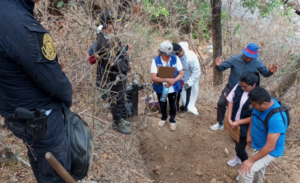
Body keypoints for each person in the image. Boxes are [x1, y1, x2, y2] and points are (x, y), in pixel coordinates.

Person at [0, 0, 74, 182]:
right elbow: (55, 82)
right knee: (55, 176)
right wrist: (68, 97)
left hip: (21, 116)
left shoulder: (8, 11)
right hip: (42, 121)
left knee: (41, 163)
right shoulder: (19, 24)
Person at [210, 43, 278, 131]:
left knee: (245, 108)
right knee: (221, 103)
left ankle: (239, 127)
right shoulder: (235, 59)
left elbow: (265, 73)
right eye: (247, 56)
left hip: (247, 91)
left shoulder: (257, 63)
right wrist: (218, 66)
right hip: (231, 87)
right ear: (244, 53)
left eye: (251, 57)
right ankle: (220, 123)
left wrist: (270, 72)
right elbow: (223, 67)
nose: (248, 58)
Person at [238, 86, 288, 183]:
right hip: (260, 145)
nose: (252, 106)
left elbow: (270, 146)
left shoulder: (276, 119)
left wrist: (251, 160)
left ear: (264, 104)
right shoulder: (259, 103)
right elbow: (253, 117)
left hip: (270, 151)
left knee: (245, 172)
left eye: (254, 105)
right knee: (258, 170)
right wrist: (249, 134)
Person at [96, 10, 132, 134]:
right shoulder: (103, 41)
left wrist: (129, 62)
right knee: (116, 99)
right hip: (113, 76)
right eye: (115, 22)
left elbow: (122, 50)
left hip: (120, 73)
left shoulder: (113, 36)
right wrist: (125, 68)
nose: (118, 25)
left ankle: (118, 119)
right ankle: (117, 122)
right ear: (108, 24)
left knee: (121, 97)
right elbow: (111, 61)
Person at [226, 71, 260, 181]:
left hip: (246, 126)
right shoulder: (239, 86)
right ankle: (238, 158)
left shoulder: (258, 96)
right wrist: (229, 117)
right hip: (234, 121)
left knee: (240, 148)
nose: (243, 88)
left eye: (246, 87)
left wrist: (238, 122)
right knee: (236, 141)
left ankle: (245, 169)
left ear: (254, 85)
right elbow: (230, 100)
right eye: (241, 85)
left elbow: (254, 116)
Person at [151, 41, 183, 131]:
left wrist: (173, 81)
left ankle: (172, 120)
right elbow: (154, 77)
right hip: (161, 87)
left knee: (173, 104)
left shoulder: (175, 58)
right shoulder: (155, 61)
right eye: (166, 54)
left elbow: (181, 73)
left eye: (170, 54)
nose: (169, 56)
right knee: (162, 103)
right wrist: (166, 80)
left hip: (173, 87)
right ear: (161, 52)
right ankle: (163, 117)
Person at [172, 42, 201, 118]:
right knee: (176, 95)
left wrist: (189, 82)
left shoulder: (191, 57)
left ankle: (184, 109)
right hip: (177, 78)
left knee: (185, 96)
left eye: (180, 53)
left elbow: (196, 72)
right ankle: (175, 107)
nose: (179, 55)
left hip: (187, 79)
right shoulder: (173, 57)